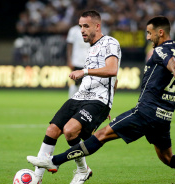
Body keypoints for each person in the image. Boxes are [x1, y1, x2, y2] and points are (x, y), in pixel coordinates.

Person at [27, 16, 175, 184]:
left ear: (160, 32)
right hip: (163, 117)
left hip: (145, 111)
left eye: (149, 33)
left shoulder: (160, 51)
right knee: (168, 158)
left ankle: (53, 161)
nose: (148, 37)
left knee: (100, 135)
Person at [30, 10, 121, 184]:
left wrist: (106, 102)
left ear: (97, 26)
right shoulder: (92, 48)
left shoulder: (110, 42)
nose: (82, 30)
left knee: (70, 130)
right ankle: (37, 179)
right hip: (80, 96)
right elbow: (115, 81)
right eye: (80, 26)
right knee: (52, 130)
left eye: (86, 26)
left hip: (97, 100)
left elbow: (112, 70)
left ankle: (78, 169)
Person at [66, 23, 90, 98]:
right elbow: (69, 46)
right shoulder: (73, 30)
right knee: (76, 82)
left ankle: (82, 101)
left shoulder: (90, 29)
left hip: (88, 61)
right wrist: (69, 60)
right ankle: (71, 99)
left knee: (88, 83)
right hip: (77, 61)